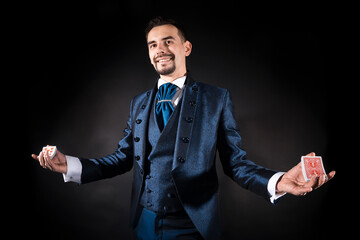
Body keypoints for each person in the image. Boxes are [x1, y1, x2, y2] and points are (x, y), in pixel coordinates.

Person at [32, 17, 335, 240]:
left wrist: (279, 182)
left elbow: (236, 165)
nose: (159, 49)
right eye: (153, 44)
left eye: (168, 41)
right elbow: (121, 159)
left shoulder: (217, 99)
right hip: (144, 224)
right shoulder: (138, 103)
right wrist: (68, 165)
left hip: (194, 227)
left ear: (186, 47)